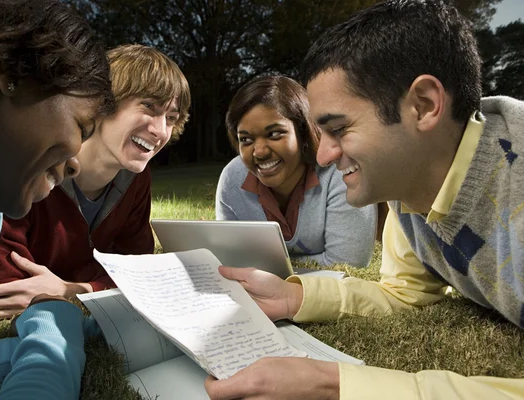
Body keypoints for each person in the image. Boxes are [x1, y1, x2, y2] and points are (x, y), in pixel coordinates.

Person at [205, 1, 524, 399]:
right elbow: (403, 292)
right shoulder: (408, 191)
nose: (322, 156)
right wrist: (294, 296)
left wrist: (333, 386)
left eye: (338, 129)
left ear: (423, 105)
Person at [0, 0, 115, 398]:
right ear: (13, 76)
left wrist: (62, 324)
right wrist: (53, 329)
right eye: (83, 125)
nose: (77, 162)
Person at [0, 44, 191, 320]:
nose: (160, 130)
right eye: (149, 107)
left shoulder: (136, 180)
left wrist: (73, 290)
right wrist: (97, 285)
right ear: (103, 101)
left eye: (171, 118)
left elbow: (138, 272)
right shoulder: (35, 162)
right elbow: (3, 286)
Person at [216, 75, 376, 267]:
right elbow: (232, 260)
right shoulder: (232, 179)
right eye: (246, 140)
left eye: (274, 134)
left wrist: (267, 266)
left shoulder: (340, 171)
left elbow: (348, 263)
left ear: (303, 133)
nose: (259, 152)